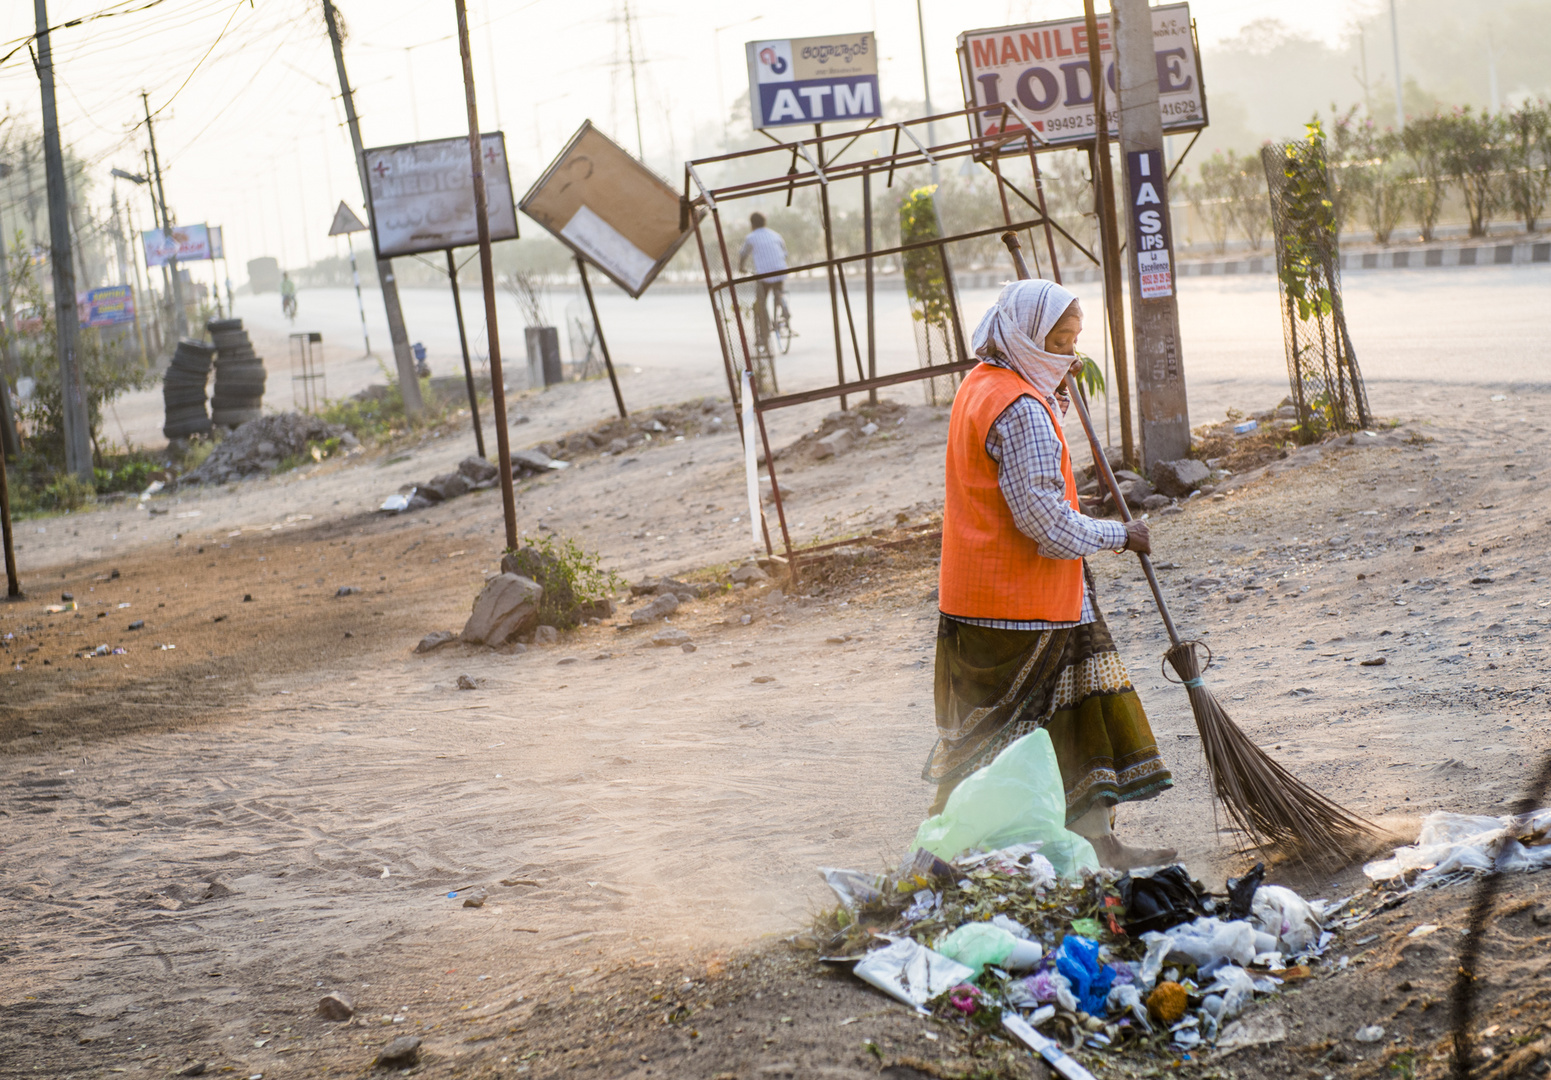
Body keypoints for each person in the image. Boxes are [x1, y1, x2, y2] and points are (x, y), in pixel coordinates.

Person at [925, 278, 1175, 871]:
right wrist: (1121, 534)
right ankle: (962, 855)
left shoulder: (982, 386)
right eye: (1058, 340)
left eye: (1074, 340)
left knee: (1073, 716)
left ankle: (1088, 843)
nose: (1069, 355)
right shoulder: (1020, 410)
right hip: (1020, 605)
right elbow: (1049, 527)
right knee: (1004, 744)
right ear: (1023, 336)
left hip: (983, 598)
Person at [736, 212, 789, 352]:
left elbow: (743, 254)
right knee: (778, 289)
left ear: (752, 224)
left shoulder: (751, 237)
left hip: (764, 275)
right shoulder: (775, 234)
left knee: (760, 304)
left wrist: (741, 267)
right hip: (780, 271)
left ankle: (762, 336)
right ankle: (782, 303)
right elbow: (785, 253)